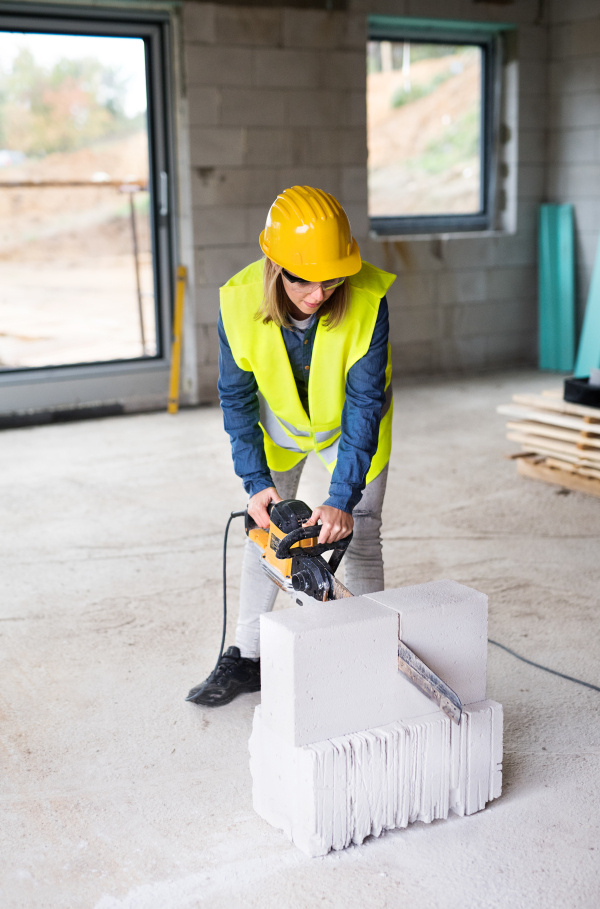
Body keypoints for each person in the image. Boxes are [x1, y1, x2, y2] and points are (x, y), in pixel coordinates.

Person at [187, 185, 396, 707]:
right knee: (264, 532)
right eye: (305, 278)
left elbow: (364, 404)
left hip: (351, 428)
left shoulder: (368, 299)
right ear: (274, 263)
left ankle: (373, 653)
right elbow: (236, 400)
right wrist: (255, 483)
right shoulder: (238, 303)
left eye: (332, 277)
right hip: (281, 424)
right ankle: (246, 654)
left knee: (361, 532)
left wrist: (341, 498)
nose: (319, 292)